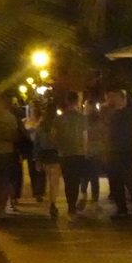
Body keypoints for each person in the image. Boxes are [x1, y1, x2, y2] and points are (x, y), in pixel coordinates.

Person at [103, 89, 132, 218]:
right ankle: (122, 207)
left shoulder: (129, 113)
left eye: (117, 97)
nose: (115, 99)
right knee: (116, 180)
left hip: (126, 150)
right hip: (114, 151)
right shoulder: (111, 113)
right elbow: (107, 131)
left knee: (129, 180)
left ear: (123, 99)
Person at [56, 91, 90, 219]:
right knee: (75, 180)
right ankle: (73, 205)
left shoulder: (59, 119)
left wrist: (59, 148)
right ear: (77, 102)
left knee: (67, 180)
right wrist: (85, 151)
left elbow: (55, 136)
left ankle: (70, 204)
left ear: (66, 101)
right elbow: (84, 136)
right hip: (78, 153)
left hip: (65, 153)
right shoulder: (81, 118)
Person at [35, 102, 62, 219]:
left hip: (45, 154)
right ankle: (53, 203)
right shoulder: (59, 124)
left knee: (49, 178)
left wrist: (37, 159)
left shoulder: (41, 126)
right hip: (56, 154)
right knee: (54, 182)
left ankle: (51, 203)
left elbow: (37, 143)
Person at [82, 100, 104, 212]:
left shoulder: (84, 121)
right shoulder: (99, 120)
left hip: (87, 151)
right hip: (97, 151)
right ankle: (94, 199)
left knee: (85, 175)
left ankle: (84, 194)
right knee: (94, 176)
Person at [21, 105, 46, 202]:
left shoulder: (42, 121)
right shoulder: (26, 121)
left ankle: (40, 192)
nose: (32, 113)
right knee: (32, 170)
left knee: (40, 171)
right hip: (30, 148)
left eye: (34, 111)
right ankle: (36, 192)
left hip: (39, 148)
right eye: (31, 110)